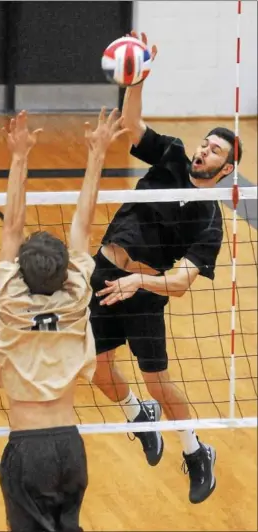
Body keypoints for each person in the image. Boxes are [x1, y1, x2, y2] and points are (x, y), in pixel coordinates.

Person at [89, 31, 243, 505]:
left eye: (215, 151)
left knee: (159, 378)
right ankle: (139, 415)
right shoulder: (173, 154)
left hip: (146, 292)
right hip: (104, 270)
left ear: (226, 169)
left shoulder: (209, 220)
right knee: (96, 372)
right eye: (205, 144)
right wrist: (140, 78)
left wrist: (142, 281)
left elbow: (180, 282)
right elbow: (132, 126)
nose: (204, 151)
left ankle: (196, 450)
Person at [0, 108, 128, 531]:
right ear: (66, 271)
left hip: (28, 452)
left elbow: (11, 225)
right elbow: (83, 224)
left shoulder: (10, 307)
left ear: (21, 275)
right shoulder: (75, 300)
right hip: (71, 447)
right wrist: (98, 153)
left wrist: (18, 157)